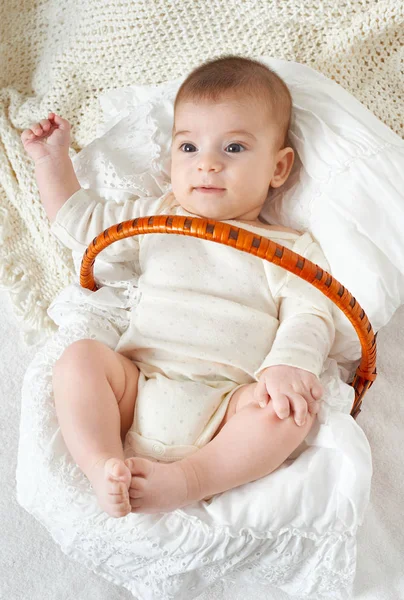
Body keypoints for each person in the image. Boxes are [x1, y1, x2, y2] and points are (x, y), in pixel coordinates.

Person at [21, 55, 334, 518]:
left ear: (279, 168)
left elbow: (313, 312)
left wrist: (289, 365)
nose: (206, 164)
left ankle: (192, 477)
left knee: (288, 415)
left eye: (233, 149)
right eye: (188, 148)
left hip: (230, 402)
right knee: (79, 359)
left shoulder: (289, 247)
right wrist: (52, 164)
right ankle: (103, 465)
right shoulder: (158, 218)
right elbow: (85, 227)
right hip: (139, 383)